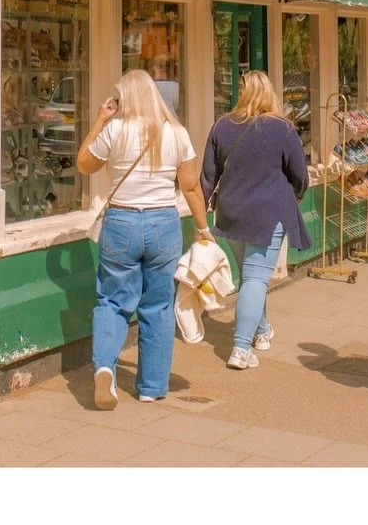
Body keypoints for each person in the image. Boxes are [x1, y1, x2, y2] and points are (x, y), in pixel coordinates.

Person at [77, 68, 212, 409]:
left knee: (112, 301)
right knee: (158, 304)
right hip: (163, 222)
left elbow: (83, 164)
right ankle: (151, 385)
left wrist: (100, 119)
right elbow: (191, 186)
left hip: (121, 221)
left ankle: (106, 367)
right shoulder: (177, 133)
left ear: (124, 99)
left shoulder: (116, 131)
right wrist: (203, 228)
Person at [199, 70, 311, 370]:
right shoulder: (282, 129)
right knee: (256, 279)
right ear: (270, 93)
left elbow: (208, 176)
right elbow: (300, 173)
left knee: (250, 278)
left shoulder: (221, 126)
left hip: (230, 214)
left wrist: (201, 214)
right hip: (267, 214)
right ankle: (240, 349)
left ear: (242, 93)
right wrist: (298, 193)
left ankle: (261, 331)